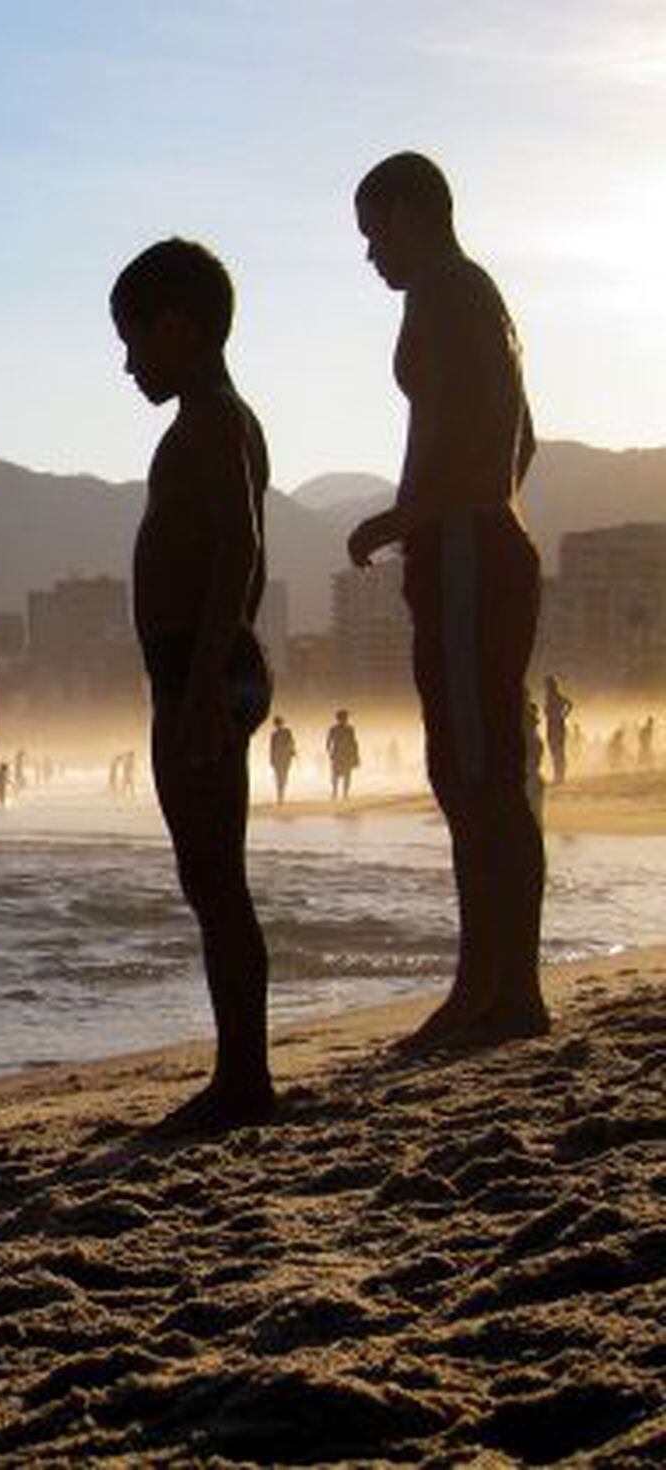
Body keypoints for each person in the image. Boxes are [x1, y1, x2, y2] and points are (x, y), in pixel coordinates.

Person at [346, 151, 547, 1049]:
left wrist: (402, 519)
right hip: (482, 540)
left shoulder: (442, 295)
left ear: (409, 214)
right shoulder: (484, 299)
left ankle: (493, 991)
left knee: (477, 778)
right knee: (484, 770)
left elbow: (463, 439)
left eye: (373, 233)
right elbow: (523, 442)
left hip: (466, 546)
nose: (370, 257)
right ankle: (500, 985)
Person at [111, 237, 275, 1133]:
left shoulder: (211, 416)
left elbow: (240, 545)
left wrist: (208, 676)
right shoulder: (211, 416)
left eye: (133, 341)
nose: (127, 362)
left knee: (215, 878)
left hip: (204, 669)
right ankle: (240, 1073)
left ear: (176, 326)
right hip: (197, 666)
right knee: (209, 876)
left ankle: (244, 1080)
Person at [542, 675, 573, 784]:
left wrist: (563, 715)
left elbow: (569, 703)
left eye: (547, 685)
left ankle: (559, 776)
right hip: (554, 726)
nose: (546, 687)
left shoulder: (555, 697)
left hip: (556, 726)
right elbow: (569, 704)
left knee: (557, 752)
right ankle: (558, 775)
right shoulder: (551, 697)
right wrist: (564, 715)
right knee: (555, 751)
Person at [326, 710, 360, 800]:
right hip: (338, 755)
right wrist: (330, 752)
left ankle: (344, 793)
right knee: (335, 775)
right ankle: (335, 792)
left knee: (346, 775)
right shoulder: (334, 729)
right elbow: (328, 742)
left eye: (345, 718)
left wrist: (356, 754)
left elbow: (353, 742)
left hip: (346, 755)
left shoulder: (349, 729)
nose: (344, 719)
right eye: (342, 718)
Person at [268, 715, 297, 804]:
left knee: (284, 776)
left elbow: (292, 741)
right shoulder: (274, 735)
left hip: (286, 758)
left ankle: (281, 793)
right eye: (277, 723)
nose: (278, 725)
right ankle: (280, 795)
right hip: (278, 758)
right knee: (278, 776)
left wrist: (292, 751)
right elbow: (272, 747)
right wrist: (271, 759)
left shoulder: (287, 732)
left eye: (279, 723)